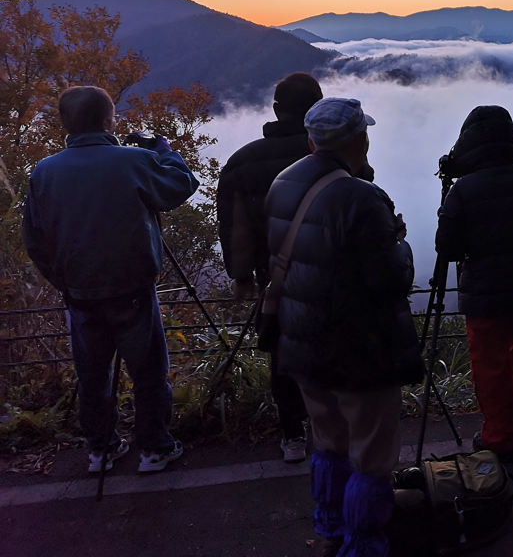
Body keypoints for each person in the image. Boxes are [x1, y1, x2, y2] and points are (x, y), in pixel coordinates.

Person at [265, 97, 423, 557]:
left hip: (302, 339)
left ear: (312, 140)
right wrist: (402, 245)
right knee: (372, 454)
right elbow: (390, 279)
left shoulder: (283, 183)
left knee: (329, 440)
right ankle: (364, 544)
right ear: (361, 138)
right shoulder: (361, 197)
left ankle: (329, 524)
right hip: (360, 347)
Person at [22, 86, 199, 474]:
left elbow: (34, 239)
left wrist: (63, 280)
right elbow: (180, 185)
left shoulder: (45, 172)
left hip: (79, 293)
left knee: (92, 374)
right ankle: (154, 449)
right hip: (132, 289)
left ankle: (100, 449)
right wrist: (163, 149)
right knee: (148, 372)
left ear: (65, 124)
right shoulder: (133, 161)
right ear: (109, 120)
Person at [435, 105, 513, 459]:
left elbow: (447, 248)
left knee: (490, 365)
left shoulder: (461, 191)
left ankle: (499, 434)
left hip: (484, 291)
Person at [216, 71, 323, 462]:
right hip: (335, 277)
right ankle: (330, 425)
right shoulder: (333, 155)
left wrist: (241, 276)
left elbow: (237, 228)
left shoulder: (242, 161)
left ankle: (292, 434)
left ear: (277, 110)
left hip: (275, 279)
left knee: (283, 354)